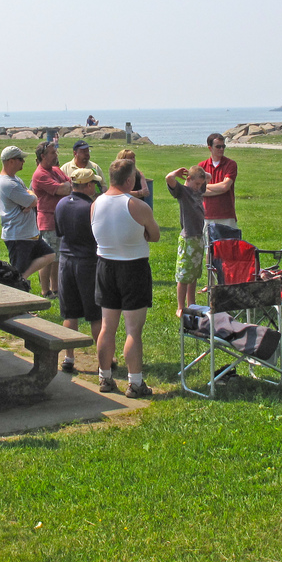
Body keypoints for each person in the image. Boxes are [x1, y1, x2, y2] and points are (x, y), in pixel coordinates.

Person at [91, 158, 161, 397]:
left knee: (107, 327)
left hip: (105, 266)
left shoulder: (96, 204)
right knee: (133, 330)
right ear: (130, 180)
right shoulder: (137, 206)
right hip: (133, 267)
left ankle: (105, 377)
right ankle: (135, 382)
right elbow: (154, 235)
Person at [53, 168, 103, 373]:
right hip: (87, 262)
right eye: (94, 184)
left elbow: (59, 232)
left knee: (70, 313)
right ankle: (104, 358)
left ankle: (69, 357)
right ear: (88, 185)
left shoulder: (61, 204)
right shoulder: (90, 207)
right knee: (95, 314)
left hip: (66, 260)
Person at [0, 146, 57, 286]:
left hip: (28, 234)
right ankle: (17, 287)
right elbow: (33, 200)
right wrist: (31, 199)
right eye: (20, 159)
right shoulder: (9, 184)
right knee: (16, 274)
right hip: (18, 236)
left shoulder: (15, 179)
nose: (23, 161)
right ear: (11, 161)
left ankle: (22, 278)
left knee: (49, 255)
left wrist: (30, 198)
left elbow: (31, 195)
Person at [29, 141, 71, 298]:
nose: (56, 155)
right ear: (43, 156)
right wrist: (64, 186)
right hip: (48, 221)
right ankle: (45, 290)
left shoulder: (55, 170)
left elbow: (70, 184)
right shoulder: (40, 175)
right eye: (53, 153)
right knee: (47, 257)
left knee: (57, 256)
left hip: (59, 220)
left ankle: (56, 288)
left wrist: (66, 186)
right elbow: (63, 189)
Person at [165, 165, 208, 317]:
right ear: (188, 179)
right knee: (183, 275)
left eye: (201, 184)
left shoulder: (199, 190)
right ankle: (180, 306)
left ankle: (192, 303)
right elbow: (168, 178)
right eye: (196, 184)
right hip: (188, 237)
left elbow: (207, 176)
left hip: (198, 237)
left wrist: (200, 175)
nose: (199, 187)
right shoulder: (183, 192)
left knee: (194, 274)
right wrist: (176, 173)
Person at [199, 133, 238, 233]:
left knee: (229, 243)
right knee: (208, 243)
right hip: (207, 216)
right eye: (218, 146)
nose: (221, 149)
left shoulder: (230, 164)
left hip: (226, 215)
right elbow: (197, 190)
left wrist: (205, 186)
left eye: (223, 146)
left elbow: (225, 186)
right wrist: (219, 189)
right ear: (210, 148)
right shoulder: (202, 166)